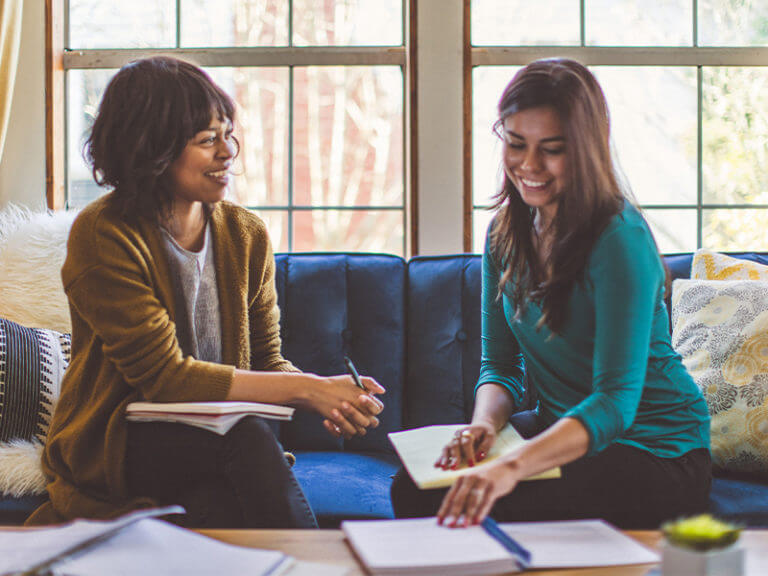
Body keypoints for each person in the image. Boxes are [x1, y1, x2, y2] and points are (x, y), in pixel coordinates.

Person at [27, 56, 384, 528]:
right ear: (152, 150)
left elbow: (265, 360)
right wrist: (307, 390)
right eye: (207, 140)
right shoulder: (104, 235)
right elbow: (165, 379)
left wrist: (332, 398)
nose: (228, 152)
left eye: (227, 134)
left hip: (212, 443)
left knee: (220, 506)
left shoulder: (245, 233)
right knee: (246, 435)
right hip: (119, 442)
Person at [390, 58, 710, 530]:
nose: (529, 166)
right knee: (415, 488)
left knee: (478, 500)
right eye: (516, 144)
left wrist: (510, 467)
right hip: (563, 430)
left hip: (655, 451)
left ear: (586, 150)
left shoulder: (619, 238)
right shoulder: (505, 232)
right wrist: (484, 428)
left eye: (552, 149)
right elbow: (500, 366)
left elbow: (614, 404)